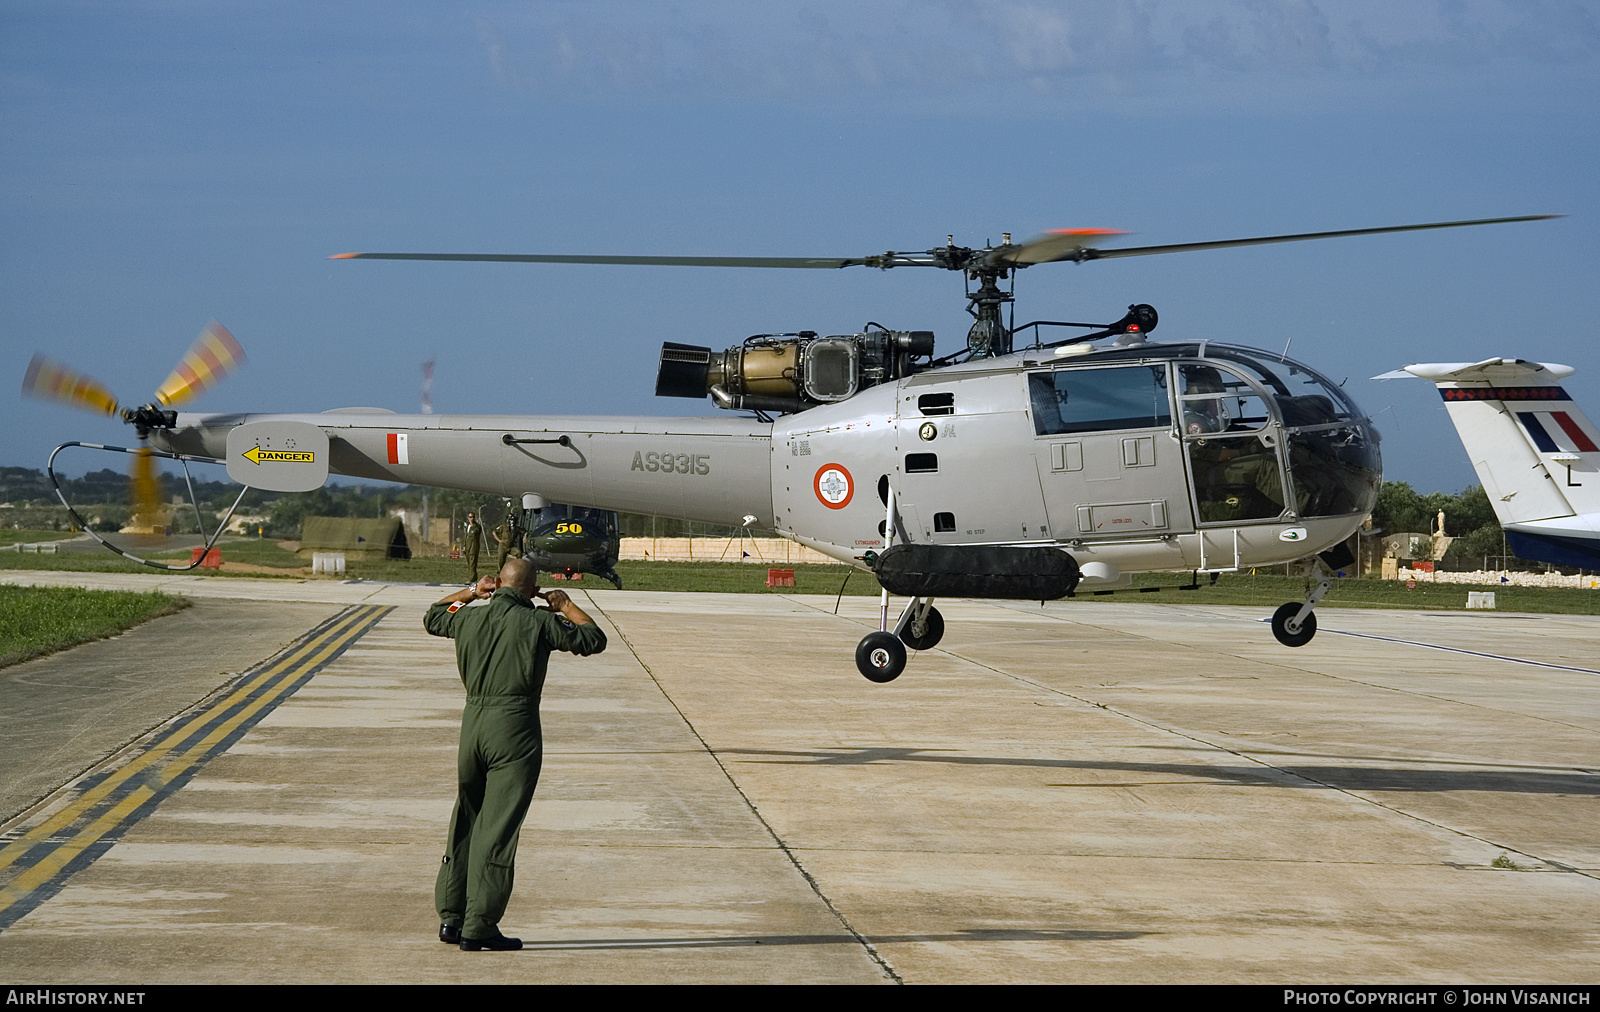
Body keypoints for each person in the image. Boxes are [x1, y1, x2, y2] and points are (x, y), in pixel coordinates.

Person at [424, 558, 607, 951]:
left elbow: (435, 614)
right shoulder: (539, 623)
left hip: (472, 726)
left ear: (498, 585)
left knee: (467, 817)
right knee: (499, 826)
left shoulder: (467, 618)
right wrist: (565, 606)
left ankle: (451, 917)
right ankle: (480, 924)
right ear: (531, 590)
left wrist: (472, 592)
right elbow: (593, 639)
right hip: (515, 728)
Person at [461, 511, 485, 583]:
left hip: (473, 547)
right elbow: (466, 537)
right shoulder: (467, 527)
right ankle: (473, 577)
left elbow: (475, 533)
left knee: (472, 563)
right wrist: (464, 546)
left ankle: (472, 579)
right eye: (470, 517)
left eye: (473, 517)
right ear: (468, 518)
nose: (471, 519)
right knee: (469, 564)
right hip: (467, 547)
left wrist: (472, 525)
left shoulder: (477, 527)